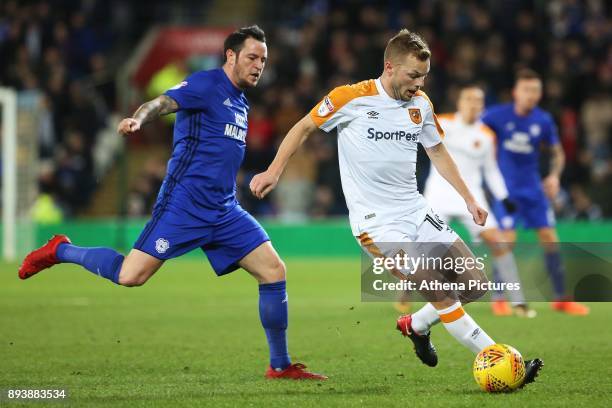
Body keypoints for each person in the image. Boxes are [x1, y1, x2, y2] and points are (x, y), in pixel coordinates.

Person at [18, 25, 326, 380]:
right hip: (184, 205)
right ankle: (61, 250)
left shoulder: (241, 101)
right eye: (253, 57)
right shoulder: (206, 84)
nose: (259, 65)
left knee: (274, 271)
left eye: (264, 60)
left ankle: (279, 365)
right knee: (130, 276)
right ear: (231, 56)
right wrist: (139, 117)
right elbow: (162, 102)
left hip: (224, 210)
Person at [250, 29, 542, 384]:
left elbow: (437, 151)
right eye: (413, 76)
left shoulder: (421, 105)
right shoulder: (350, 98)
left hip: (417, 213)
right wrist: (274, 170)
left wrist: (468, 198)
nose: (419, 84)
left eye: (424, 77)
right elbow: (304, 127)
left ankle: (416, 325)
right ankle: (500, 360)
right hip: (378, 225)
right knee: (437, 287)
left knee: (474, 283)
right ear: (390, 67)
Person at [482, 69, 589, 315]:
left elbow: (558, 152)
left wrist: (554, 176)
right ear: (515, 92)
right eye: (527, 90)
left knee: (550, 239)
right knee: (506, 240)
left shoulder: (543, 120)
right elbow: (475, 134)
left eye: (536, 90)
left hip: (534, 190)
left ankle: (562, 298)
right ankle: (499, 298)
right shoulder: (497, 116)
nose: (532, 95)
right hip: (506, 191)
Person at [424, 85, 535, 318]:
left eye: (478, 100)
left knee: (498, 242)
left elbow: (491, 171)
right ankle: (405, 295)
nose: (474, 104)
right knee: (425, 249)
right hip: (439, 193)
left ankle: (518, 302)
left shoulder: (486, 136)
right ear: (460, 102)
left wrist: (504, 197)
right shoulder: (442, 123)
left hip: (471, 197)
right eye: (469, 99)